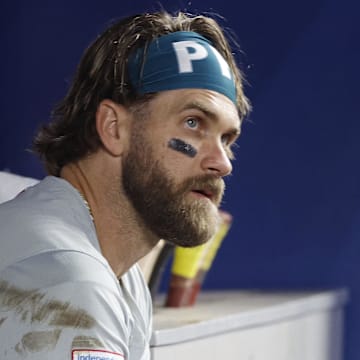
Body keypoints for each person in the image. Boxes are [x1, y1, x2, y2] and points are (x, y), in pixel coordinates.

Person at [0, 10, 250, 360]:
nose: (221, 162)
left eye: (227, 138)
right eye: (193, 123)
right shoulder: (66, 277)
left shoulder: (119, 275)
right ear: (114, 128)